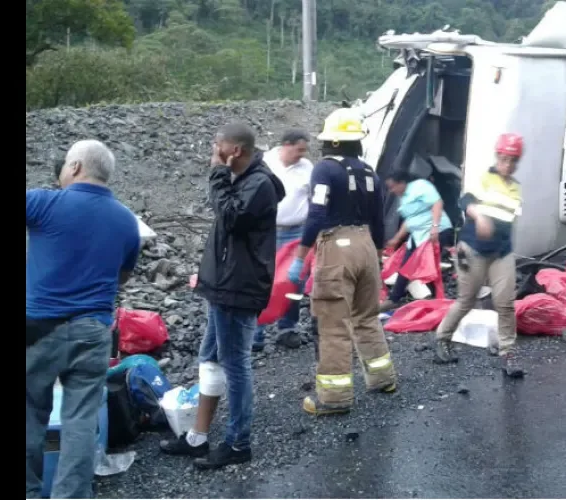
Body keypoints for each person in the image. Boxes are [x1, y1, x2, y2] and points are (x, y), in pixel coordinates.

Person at [160, 122, 285, 468]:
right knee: (210, 359)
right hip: (224, 285)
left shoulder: (258, 184)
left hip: (238, 289)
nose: (213, 151)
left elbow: (230, 218)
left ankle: (238, 443)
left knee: (236, 365)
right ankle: (198, 437)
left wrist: (217, 173)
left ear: (236, 152)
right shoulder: (243, 179)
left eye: (218, 146)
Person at [26, 140, 141, 498]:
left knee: (30, 412)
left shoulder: (44, 203)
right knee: (80, 420)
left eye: (64, 165)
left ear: (75, 167)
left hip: (39, 328)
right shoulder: (127, 221)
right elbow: (122, 276)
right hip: (92, 331)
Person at [287, 107, 397, 415]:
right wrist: (377, 256)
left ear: (334, 142)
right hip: (367, 248)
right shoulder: (370, 173)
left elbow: (317, 214)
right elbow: (378, 220)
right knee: (366, 317)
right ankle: (382, 378)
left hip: (337, 248)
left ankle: (333, 399)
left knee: (333, 324)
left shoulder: (325, 169)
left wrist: (301, 257)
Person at [434, 133, 525, 378]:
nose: (508, 165)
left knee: (505, 303)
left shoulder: (515, 188)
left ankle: (508, 353)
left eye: (513, 160)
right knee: (466, 299)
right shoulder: (485, 179)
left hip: (501, 252)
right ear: (498, 157)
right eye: (505, 159)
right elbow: (465, 201)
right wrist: (479, 217)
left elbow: (509, 221)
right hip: (472, 249)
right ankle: (442, 338)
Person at [253, 129, 314, 350]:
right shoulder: (265, 162)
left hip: (297, 232)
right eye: (299, 149)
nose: (302, 154)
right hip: (266, 231)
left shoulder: (307, 168)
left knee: (293, 281)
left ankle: (288, 328)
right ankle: (256, 332)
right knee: (262, 279)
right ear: (286, 145)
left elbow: (314, 201)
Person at [379, 170, 455, 312]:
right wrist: (396, 239)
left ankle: (436, 300)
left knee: (428, 266)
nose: (392, 190)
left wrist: (434, 227)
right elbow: (410, 221)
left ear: (402, 183)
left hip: (436, 232)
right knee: (405, 265)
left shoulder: (420, 186)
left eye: (393, 186)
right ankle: (394, 299)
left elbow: (437, 203)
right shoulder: (404, 198)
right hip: (418, 236)